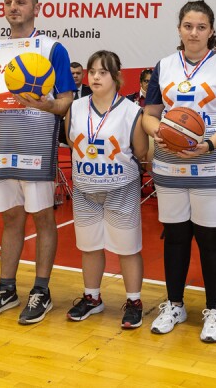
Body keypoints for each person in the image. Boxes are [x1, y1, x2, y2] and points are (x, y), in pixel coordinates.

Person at [142, 0, 216, 342]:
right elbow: (149, 114)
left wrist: (210, 144)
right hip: (170, 166)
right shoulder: (164, 66)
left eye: (201, 27)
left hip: (213, 167)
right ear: (179, 29)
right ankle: (175, 304)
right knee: (175, 237)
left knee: (211, 239)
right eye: (188, 26)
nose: (194, 33)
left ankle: (214, 310)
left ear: (211, 31)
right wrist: (157, 132)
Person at [0, 0, 75, 325]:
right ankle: (6, 288)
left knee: (43, 217)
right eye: (8, 2)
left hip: (36, 145)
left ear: (36, 8)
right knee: (11, 218)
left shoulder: (52, 48)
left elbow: (65, 102)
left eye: (21, 2)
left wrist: (47, 105)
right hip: (0, 144)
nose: (13, 7)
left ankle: (41, 290)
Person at [64, 50, 148, 328]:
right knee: (89, 247)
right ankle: (92, 298)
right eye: (92, 72)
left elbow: (140, 151)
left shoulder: (132, 111)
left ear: (117, 77)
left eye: (103, 72)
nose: (95, 77)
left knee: (128, 248)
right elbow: (71, 141)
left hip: (121, 188)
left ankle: (134, 302)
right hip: (84, 189)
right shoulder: (75, 107)